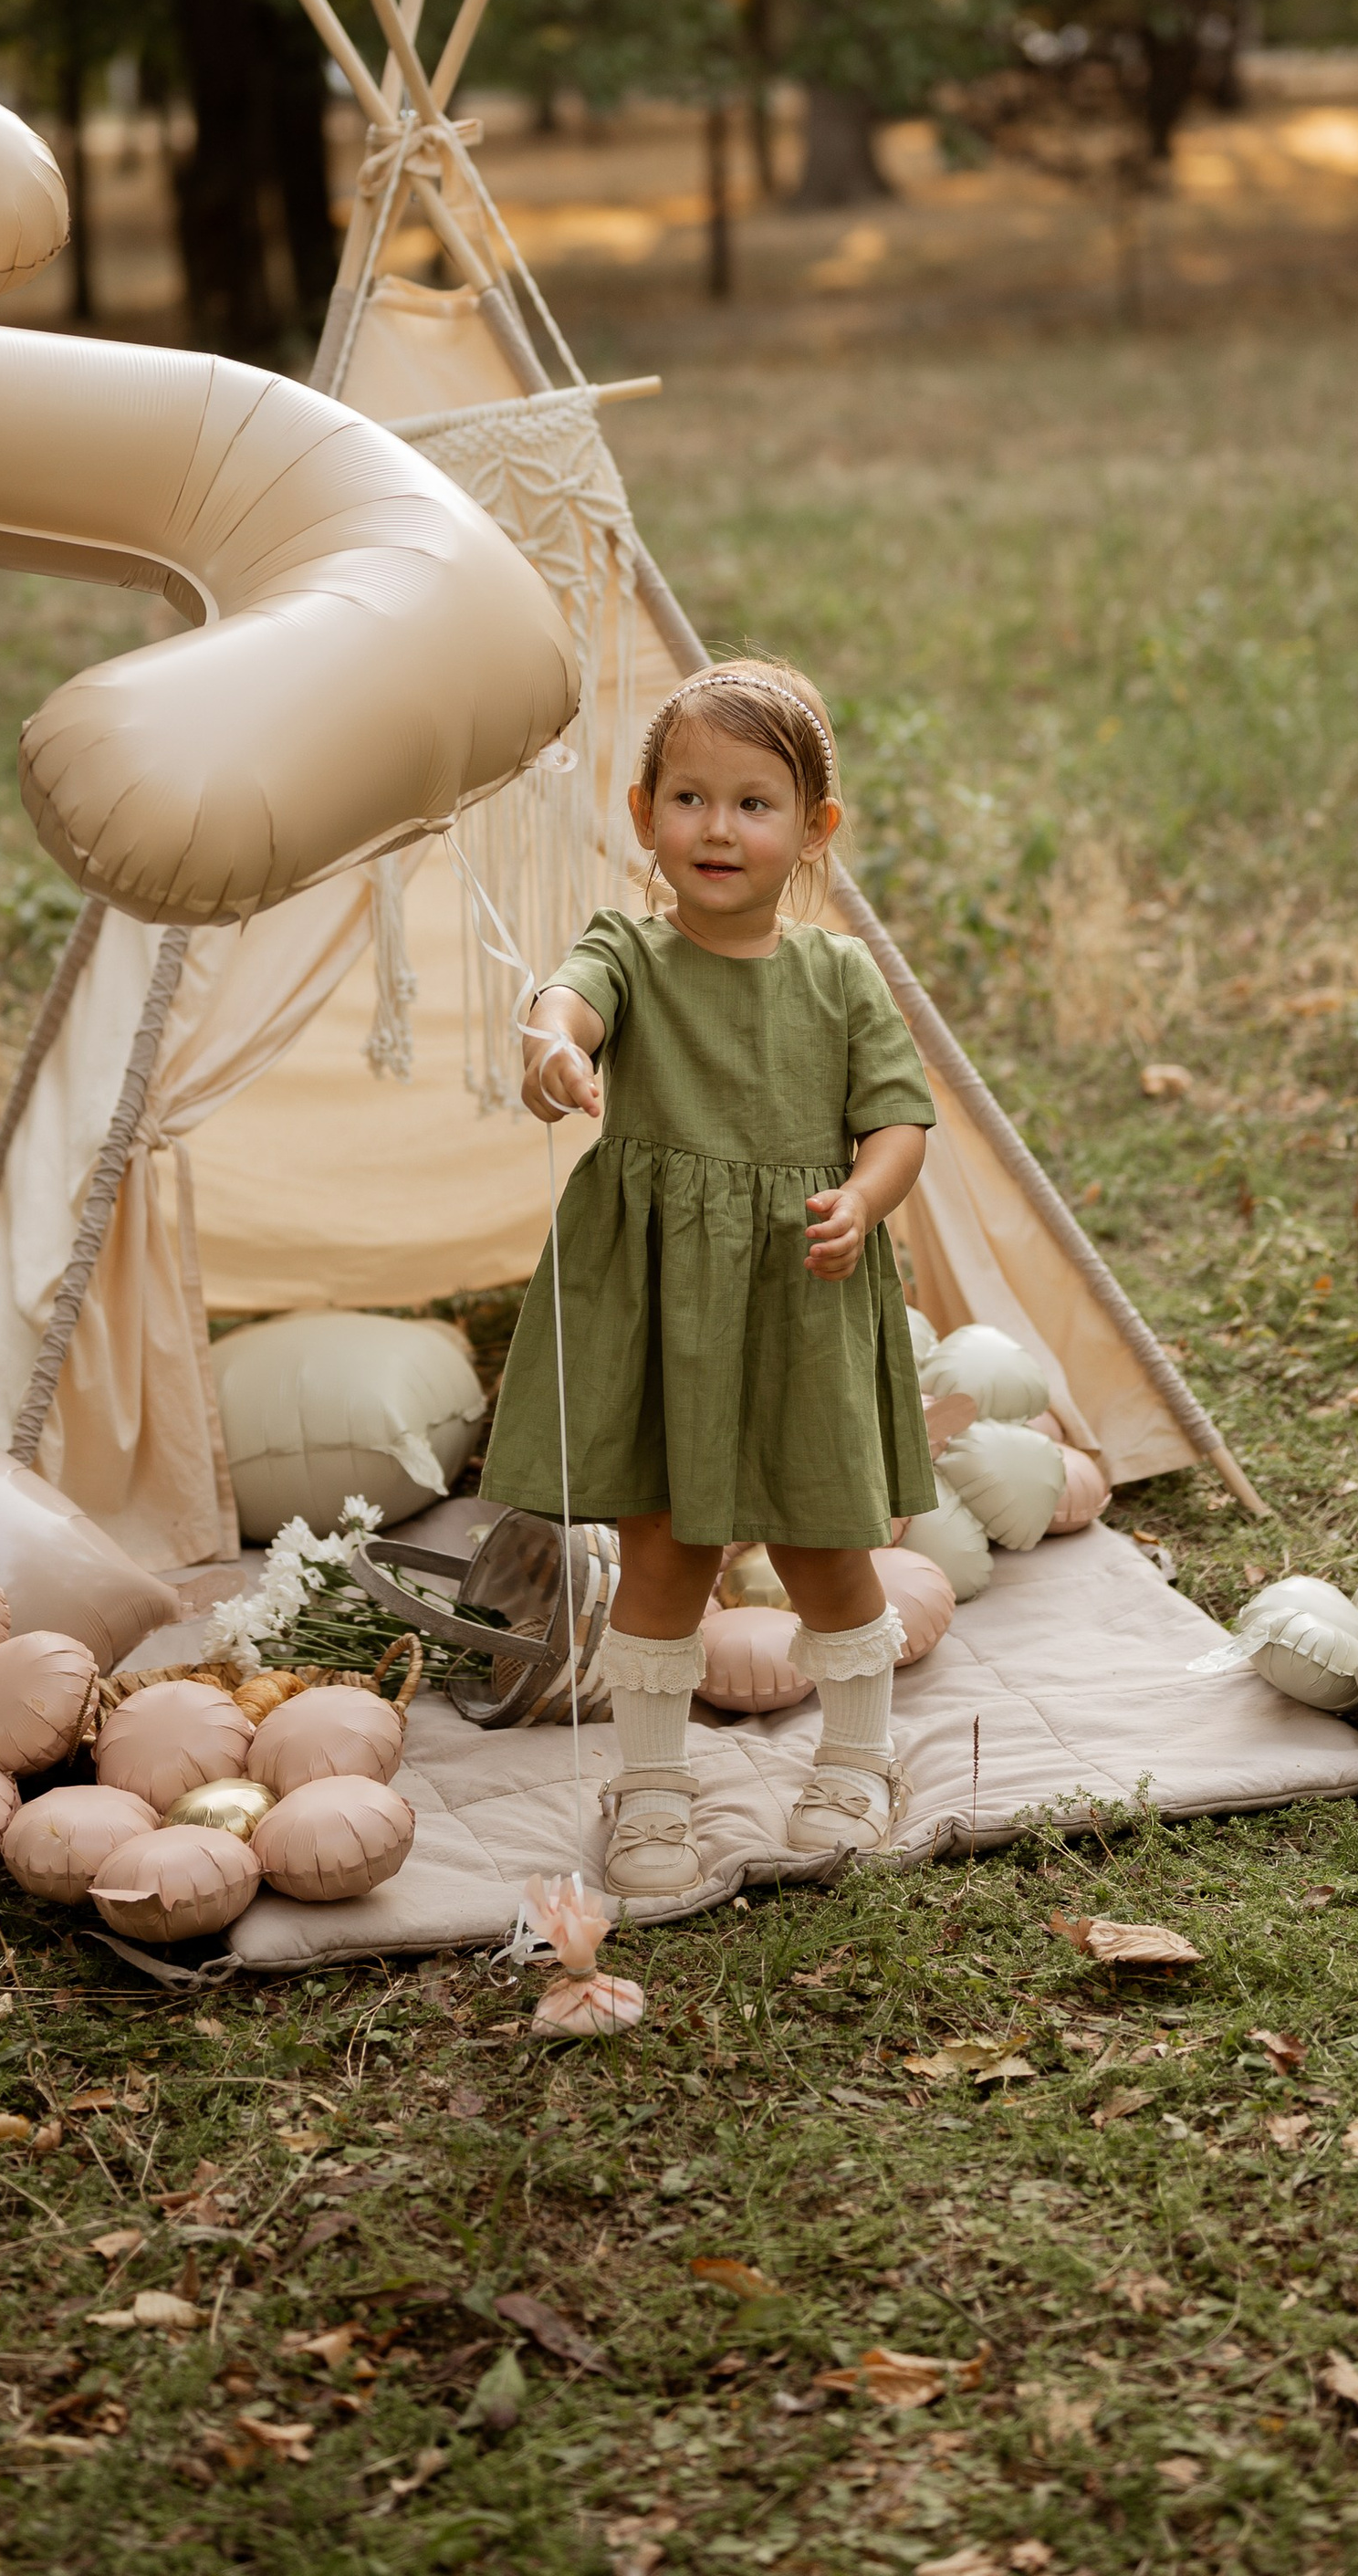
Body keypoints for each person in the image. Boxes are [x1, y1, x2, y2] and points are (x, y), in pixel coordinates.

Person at [479, 654, 935, 1898]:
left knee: (824, 1541)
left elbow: (900, 1120)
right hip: (669, 1310)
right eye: (688, 799)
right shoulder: (629, 950)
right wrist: (548, 1048)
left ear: (812, 831)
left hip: (799, 1292)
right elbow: (566, 1000)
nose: (718, 828)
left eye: (754, 803)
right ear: (644, 816)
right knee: (670, 1550)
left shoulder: (837, 977)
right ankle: (651, 1788)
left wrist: (864, 1195)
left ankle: (857, 1760)